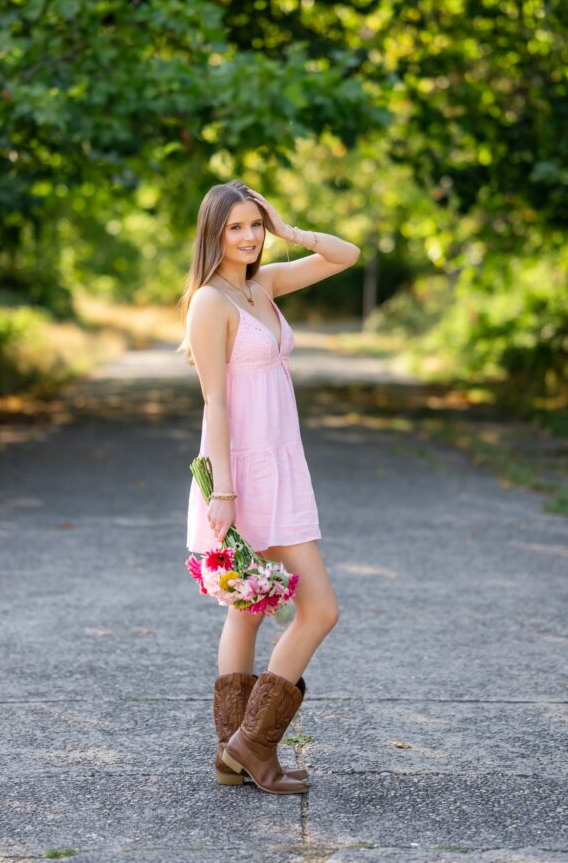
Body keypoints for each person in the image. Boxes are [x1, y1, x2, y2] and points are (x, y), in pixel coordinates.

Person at [177, 180, 360, 794]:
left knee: (248, 607)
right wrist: (223, 493)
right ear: (213, 234)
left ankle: (233, 759)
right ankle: (252, 745)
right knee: (319, 609)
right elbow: (214, 401)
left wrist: (290, 230)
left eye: (256, 224)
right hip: (240, 470)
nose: (250, 237)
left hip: (282, 461)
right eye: (236, 227)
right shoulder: (210, 302)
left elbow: (345, 255)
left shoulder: (266, 284)